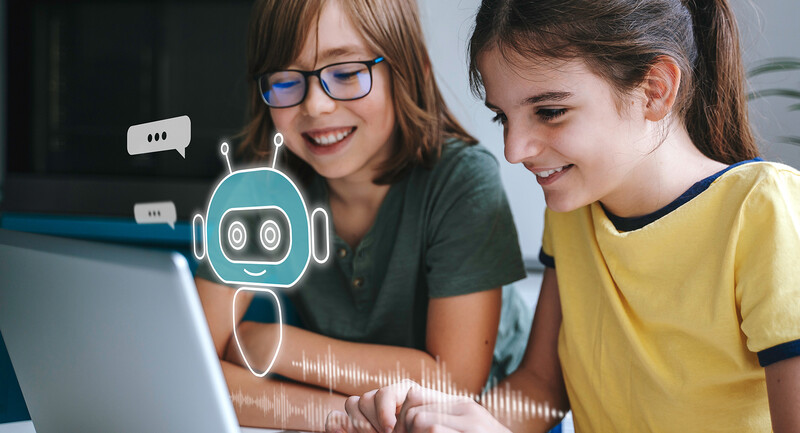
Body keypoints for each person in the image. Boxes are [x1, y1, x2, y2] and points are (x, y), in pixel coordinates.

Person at [328, 0, 800, 432]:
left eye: (550, 111)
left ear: (655, 89)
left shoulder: (763, 210)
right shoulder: (576, 210)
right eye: (503, 117)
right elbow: (540, 387)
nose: (514, 150)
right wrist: (438, 419)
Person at [194, 0, 532, 430]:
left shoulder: (462, 180)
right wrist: (345, 418)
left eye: (348, 73)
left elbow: (452, 384)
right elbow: (192, 366)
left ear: (409, 72)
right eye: (283, 79)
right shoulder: (259, 195)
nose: (315, 106)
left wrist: (275, 346)